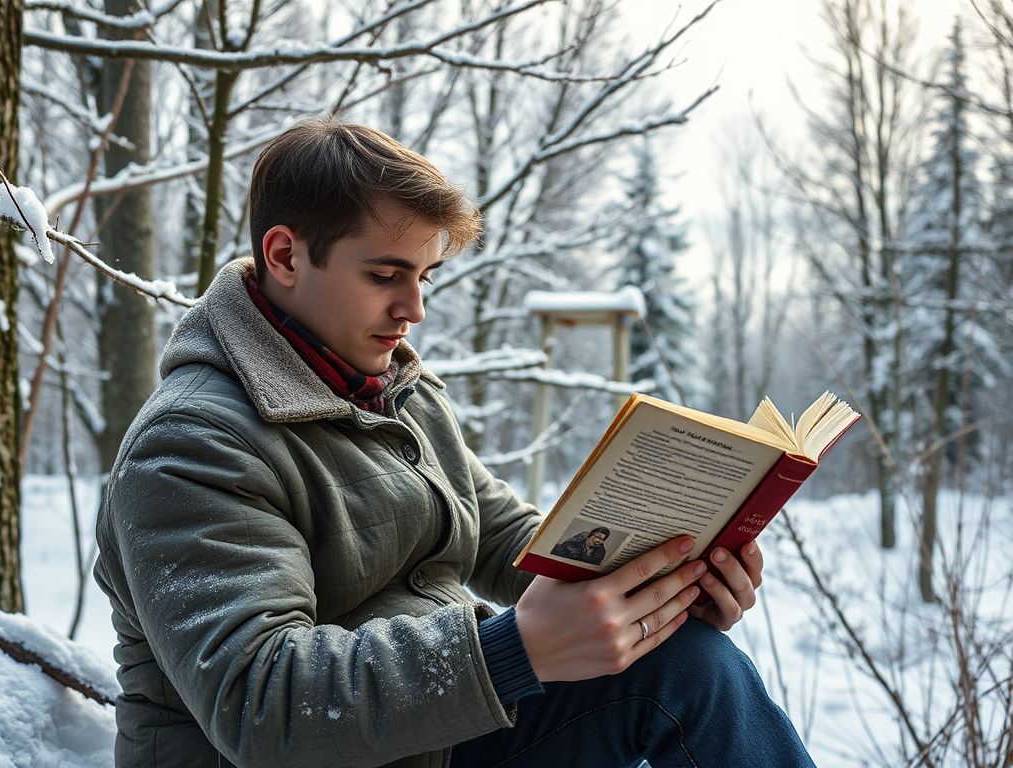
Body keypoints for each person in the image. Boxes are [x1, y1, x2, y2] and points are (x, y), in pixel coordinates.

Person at [93, 114, 817, 768]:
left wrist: (659, 584)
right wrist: (511, 652)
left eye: (426, 275)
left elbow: (502, 536)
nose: (415, 309)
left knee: (685, 661)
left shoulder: (391, 388)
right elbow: (262, 703)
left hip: (436, 741)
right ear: (284, 256)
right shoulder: (190, 444)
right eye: (386, 275)